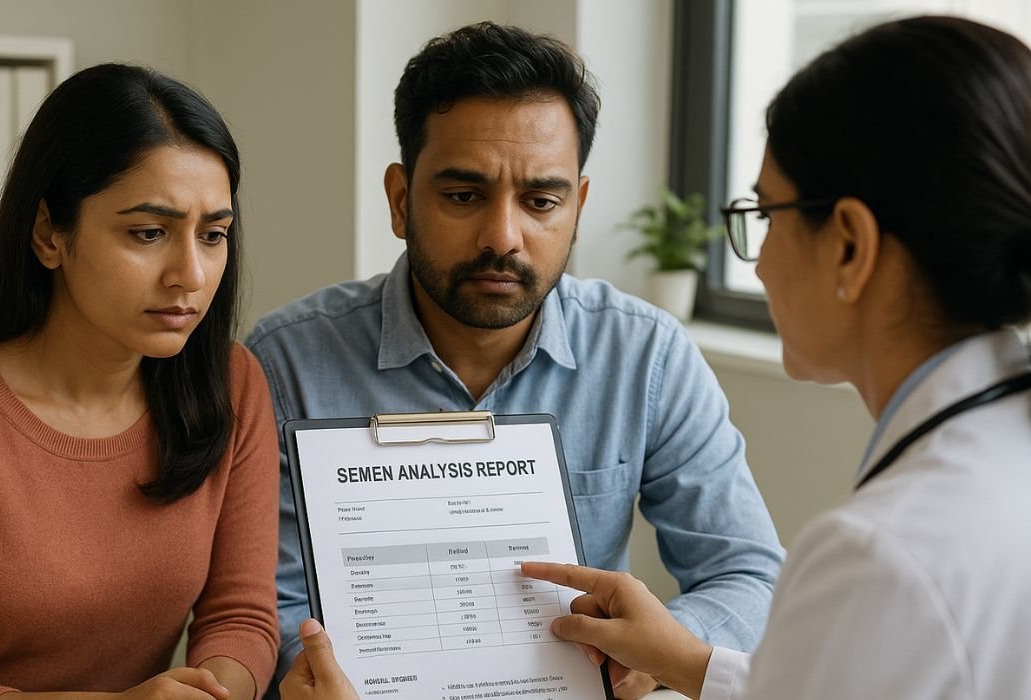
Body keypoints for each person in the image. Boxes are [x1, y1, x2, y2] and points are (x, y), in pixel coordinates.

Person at [247, 21, 784, 699]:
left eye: (541, 201)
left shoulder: (645, 356)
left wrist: (660, 648)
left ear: (578, 208)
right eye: (464, 196)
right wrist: (303, 668)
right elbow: (260, 605)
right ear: (399, 199)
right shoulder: (285, 363)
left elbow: (750, 574)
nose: (503, 236)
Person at [519, 14, 1031, 699]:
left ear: (849, 243)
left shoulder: (878, 555)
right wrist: (689, 662)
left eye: (764, 216)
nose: (757, 267)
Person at [0, 64, 279, 699]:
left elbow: (240, 618)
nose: (189, 273)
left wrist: (211, 692)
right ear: (50, 233)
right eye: (149, 233)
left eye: (213, 235)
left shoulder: (230, 383)